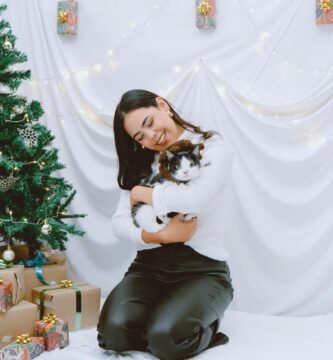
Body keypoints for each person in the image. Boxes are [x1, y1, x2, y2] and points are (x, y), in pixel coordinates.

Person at [97, 89, 234, 360]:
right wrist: (160, 236)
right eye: (140, 136)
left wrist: (140, 194)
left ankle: (204, 326)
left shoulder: (208, 146)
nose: (151, 137)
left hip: (203, 271)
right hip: (148, 269)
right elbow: (119, 223)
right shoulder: (141, 162)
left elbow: (192, 199)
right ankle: (163, 315)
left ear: (162, 105)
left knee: (166, 341)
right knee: (112, 336)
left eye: (149, 123)